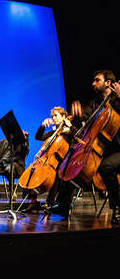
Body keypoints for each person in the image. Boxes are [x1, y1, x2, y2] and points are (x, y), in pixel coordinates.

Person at [51, 70, 120, 223]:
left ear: (108, 83)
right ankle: (63, 206)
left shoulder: (117, 100)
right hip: (102, 149)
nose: (93, 83)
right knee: (70, 162)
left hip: (117, 149)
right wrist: (77, 113)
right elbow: (86, 116)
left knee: (106, 167)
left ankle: (117, 207)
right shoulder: (96, 103)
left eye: (97, 80)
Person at [23, 106, 75, 212]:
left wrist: (70, 130)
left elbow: (80, 137)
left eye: (56, 115)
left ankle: (49, 203)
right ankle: (34, 202)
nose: (53, 118)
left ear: (64, 117)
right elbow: (38, 137)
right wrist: (42, 126)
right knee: (30, 173)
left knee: (57, 176)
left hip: (65, 162)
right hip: (48, 161)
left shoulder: (68, 131)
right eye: (52, 116)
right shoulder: (53, 132)